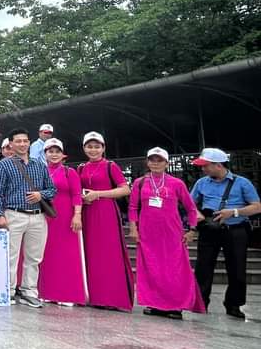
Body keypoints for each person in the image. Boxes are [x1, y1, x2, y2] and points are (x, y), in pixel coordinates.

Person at [128, 147, 205, 319]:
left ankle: (175, 306)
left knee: (174, 269)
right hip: (148, 234)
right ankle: (155, 304)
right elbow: (132, 207)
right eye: (152, 160)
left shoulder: (176, 183)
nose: (155, 163)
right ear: (147, 162)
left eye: (159, 160)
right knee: (152, 268)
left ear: (166, 163)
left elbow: (191, 208)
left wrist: (192, 229)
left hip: (172, 234)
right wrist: (133, 228)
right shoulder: (140, 183)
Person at [190, 147, 260, 319]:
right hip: (209, 229)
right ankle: (200, 302)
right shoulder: (201, 183)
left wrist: (234, 212)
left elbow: (257, 206)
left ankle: (234, 304)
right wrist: (197, 215)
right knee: (203, 268)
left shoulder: (242, 183)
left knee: (237, 268)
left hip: (235, 229)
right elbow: (189, 204)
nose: (203, 169)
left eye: (206, 165)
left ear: (218, 165)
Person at [0, 128, 56, 308]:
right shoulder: (4, 165)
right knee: (11, 256)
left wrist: (40, 194)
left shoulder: (39, 165)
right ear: (11, 144)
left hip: (37, 216)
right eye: (18, 141)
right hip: (14, 214)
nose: (22, 144)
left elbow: (52, 189)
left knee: (34, 258)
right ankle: (9, 290)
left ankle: (29, 291)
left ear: (29, 142)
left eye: (25, 141)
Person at [78, 131, 134, 311]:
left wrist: (98, 194)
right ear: (84, 148)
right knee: (91, 253)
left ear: (103, 148)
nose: (93, 150)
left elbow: (125, 189)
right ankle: (95, 296)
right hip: (88, 212)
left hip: (106, 212)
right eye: (89, 146)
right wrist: (83, 198)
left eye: (97, 147)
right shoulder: (81, 168)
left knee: (109, 253)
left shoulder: (110, 166)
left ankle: (113, 297)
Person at [36, 138, 87, 306]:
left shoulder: (69, 172)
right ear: (45, 154)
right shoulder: (40, 172)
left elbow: (76, 194)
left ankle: (68, 294)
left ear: (62, 154)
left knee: (67, 254)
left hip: (65, 217)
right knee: (46, 254)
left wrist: (77, 215)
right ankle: (47, 292)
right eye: (50, 151)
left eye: (57, 151)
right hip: (45, 216)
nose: (54, 154)